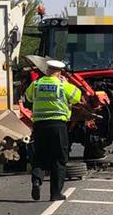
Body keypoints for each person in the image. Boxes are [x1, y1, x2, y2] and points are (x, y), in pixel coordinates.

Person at [24, 59, 83, 201]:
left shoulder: (36, 84)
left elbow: (28, 97)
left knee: (39, 156)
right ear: (59, 72)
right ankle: (55, 193)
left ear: (47, 70)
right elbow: (77, 97)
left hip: (39, 126)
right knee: (59, 158)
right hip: (57, 125)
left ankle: (37, 181)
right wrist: (67, 83)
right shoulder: (63, 85)